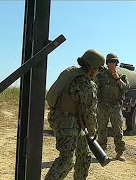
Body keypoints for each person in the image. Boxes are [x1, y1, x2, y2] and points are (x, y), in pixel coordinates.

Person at [44, 49, 104, 180]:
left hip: (64, 119)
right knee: (67, 160)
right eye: (99, 69)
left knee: (84, 155)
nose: (99, 72)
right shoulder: (86, 83)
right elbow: (90, 112)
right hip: (67, 123)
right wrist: (93, 131)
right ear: (93, 68)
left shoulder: (71, 73)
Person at [95, 53, 130, 161]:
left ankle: (119, 153)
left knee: (118, 130)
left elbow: (126, 88)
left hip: (116, 106)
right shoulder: (101, 75)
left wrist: (117, 79)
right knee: (101, 130)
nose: (112, 64)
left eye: (114, 62)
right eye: (110, 62)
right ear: (107, 63)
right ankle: (101, 153)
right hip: (103, 106)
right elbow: (95, 87)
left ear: (116, 63)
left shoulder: (121, 75)